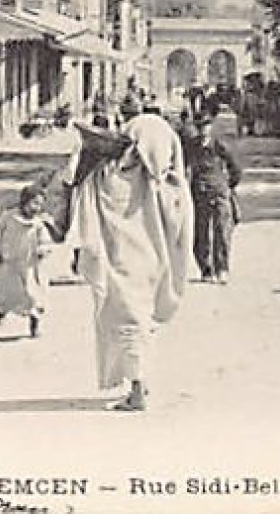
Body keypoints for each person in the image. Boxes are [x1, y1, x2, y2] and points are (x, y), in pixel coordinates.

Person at [72, 97, 193, 412]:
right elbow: (177, 215)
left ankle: (137, 390)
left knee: (128, 319)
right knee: (137, 319)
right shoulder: (162, 187)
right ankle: (141, 382)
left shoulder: (108, 176)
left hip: (120, 263)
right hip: (148, 259)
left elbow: (80, 204)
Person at [0, 183, 56, 338]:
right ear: (24, 202)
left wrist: (42, 250)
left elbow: (45, 240)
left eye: (39, 204)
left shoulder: (39, 223)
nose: (36, 208)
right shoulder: (8, 218)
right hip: (9, 263)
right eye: (33, 203)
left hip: (30, 265)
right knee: (7, 291)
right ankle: (2, 311)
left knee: (33, 294)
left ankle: (34, 322)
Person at [188, 112, 242, 284]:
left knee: (222, 231)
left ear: (211, 128)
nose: (203, 130)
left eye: (206, 126)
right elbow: (183, 165)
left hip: (219, 191)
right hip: (199, 192)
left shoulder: (219, 145)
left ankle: (222, 268)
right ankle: (205, 268)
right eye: (199, 127)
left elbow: (235, 168)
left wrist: (228, 185)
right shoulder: (192, 146)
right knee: (200, 232)